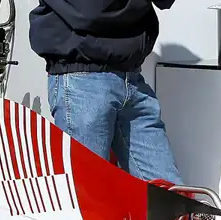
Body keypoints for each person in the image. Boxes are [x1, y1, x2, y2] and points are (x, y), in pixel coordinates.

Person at [29, 0, 183, 186]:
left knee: (171, 197)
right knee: (88, 195)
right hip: (83, 82)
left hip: (132, 79)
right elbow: (93, 10)